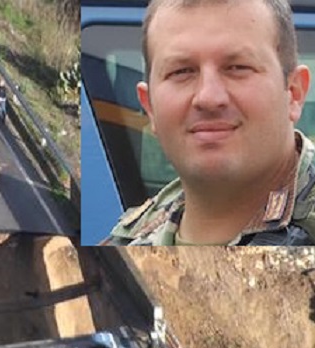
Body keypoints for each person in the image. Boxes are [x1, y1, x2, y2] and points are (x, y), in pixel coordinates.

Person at [104, 0, 313, 246]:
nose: (208, 98)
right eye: (181, 71)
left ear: (294, 92)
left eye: (237, 67)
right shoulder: (121, 245)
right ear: (149, 107)